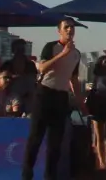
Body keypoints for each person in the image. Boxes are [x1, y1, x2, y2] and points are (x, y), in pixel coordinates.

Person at [23, 18, 87, 180]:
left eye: (72, 27)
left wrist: (81, 102)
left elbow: (73, 79)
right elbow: (42, 67)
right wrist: (62, 54)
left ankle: (50, 176)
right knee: (35, 138)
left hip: (61, 96)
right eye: (66, 27)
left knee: (55, 143)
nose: (69, 30)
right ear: (59, 30)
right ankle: (26, 174)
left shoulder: (76, 54)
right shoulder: (51, 47)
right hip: (45, 94)